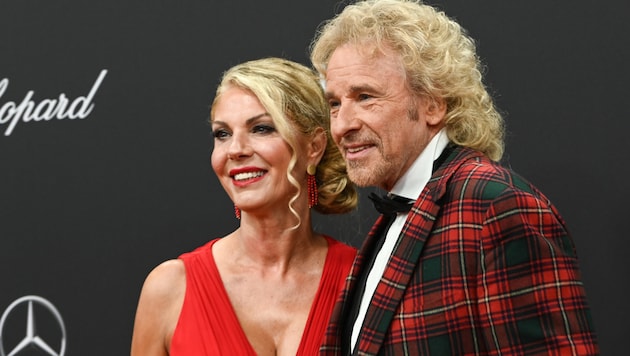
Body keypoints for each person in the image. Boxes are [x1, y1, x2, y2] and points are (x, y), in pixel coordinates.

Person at [310, 0, 599, 355]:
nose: (342, 125)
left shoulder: (498, 206)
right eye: (335, 103)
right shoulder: (399, 213)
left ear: (433, 104)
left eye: (365, 97)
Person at [130, 57, 359, 355]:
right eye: (222, 134)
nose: (235, 150)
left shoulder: (361, 278)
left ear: (313, 147)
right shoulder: (169, 288)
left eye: (261, 128)